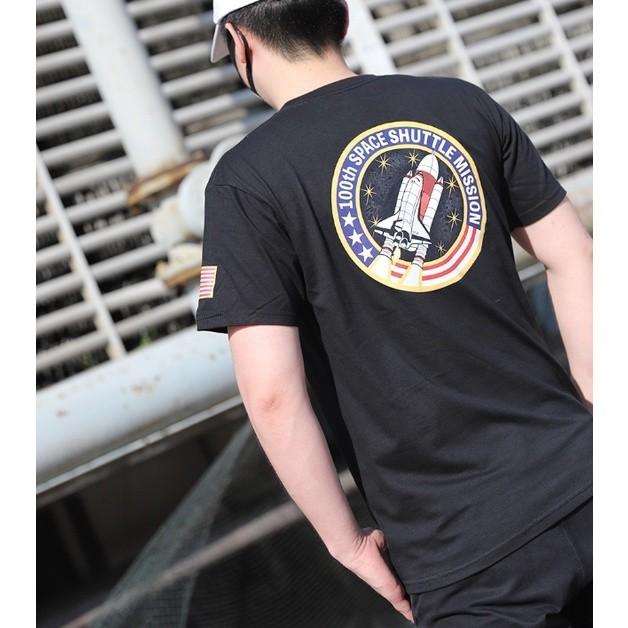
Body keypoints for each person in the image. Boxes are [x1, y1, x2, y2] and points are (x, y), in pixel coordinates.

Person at [196, 1, 593, 626]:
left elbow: (271, 393)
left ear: (240, 42)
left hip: (465, 554)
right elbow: (573, 253)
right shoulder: (460, 104)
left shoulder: (245, 182)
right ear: (342, 19)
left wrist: (347, 543)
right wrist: (596, 410)